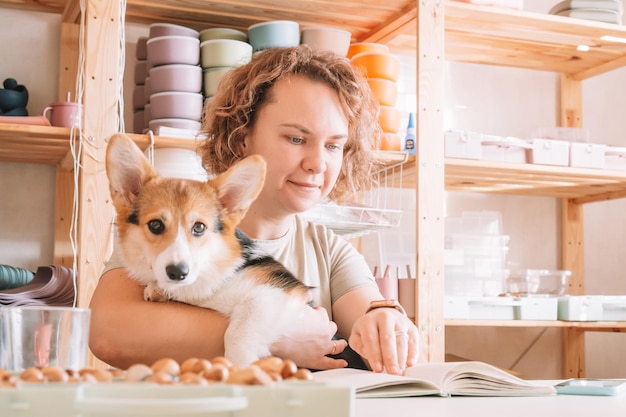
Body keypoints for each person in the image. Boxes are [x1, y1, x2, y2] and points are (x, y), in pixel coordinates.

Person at [89, 45, 419, 375]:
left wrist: (384, 320)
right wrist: (277, 336)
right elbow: (109, 335)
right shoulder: (162, 229)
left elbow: (369, 321)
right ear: (241, 137)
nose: (318, 163)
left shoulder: (331, 252)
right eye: (295, 138)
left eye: (333, 145)